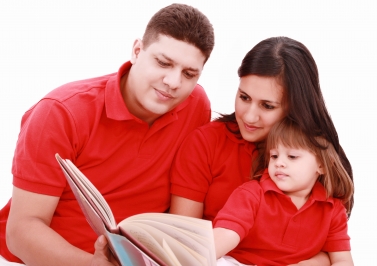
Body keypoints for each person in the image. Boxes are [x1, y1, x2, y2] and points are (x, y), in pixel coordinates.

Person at [0, 3, 214, 265]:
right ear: (137, 51)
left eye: (189, 73)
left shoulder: (196, 105)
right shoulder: (61, 112)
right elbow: (20, 233)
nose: (173, 82)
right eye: (163, 62)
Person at [169, 36, 354, 265]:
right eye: (244, 97)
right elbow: (181, 239)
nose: (249, 116)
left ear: (295, 106)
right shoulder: (206, 142)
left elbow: (334, 254)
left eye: (267, 106)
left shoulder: (313, 157)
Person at [213, 117, 354, 266]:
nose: (279, 163)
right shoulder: (251, 193)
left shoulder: (333, 210)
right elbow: (227, 233)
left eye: (292, 156)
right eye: (274, 156)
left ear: (321, 166)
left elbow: (342, 260)